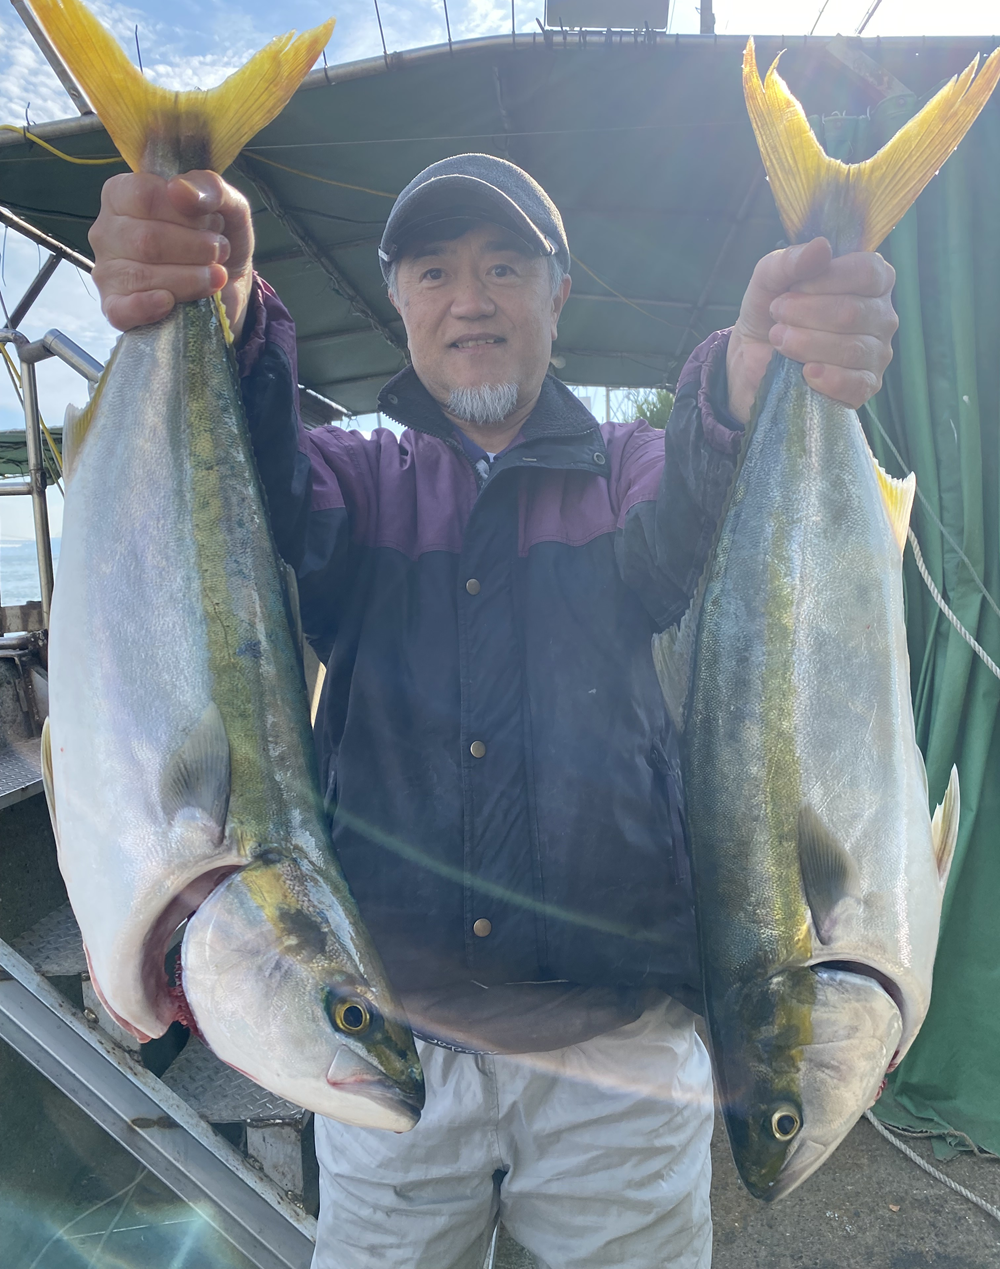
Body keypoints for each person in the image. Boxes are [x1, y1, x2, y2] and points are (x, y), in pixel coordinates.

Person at [88, 153, 897, 1269]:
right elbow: (261, 476)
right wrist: (223, 304)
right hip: (386, 1047)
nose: (470, 298)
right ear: (398, 302)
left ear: (558, 296)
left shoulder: (629, 467)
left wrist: (743, 379)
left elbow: (684, 518)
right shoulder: (352, 479)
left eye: (505, 266)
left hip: (621, 1055)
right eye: (433, 271)